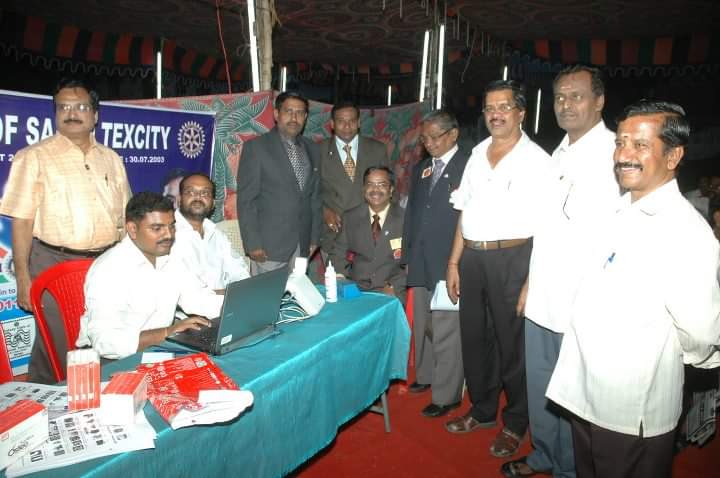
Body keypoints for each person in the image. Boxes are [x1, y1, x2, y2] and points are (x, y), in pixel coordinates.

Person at [546, 100, 720, 478]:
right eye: (620, 142)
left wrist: (663, 359)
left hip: (629, 406)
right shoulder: (620, 210)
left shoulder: (685, 231)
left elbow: (701, 333)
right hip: (586, 392)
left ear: (673, 155)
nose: (624, 155)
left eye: (640, 145)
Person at [501, 66, 620, 478]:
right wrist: (529, 285)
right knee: (542, 386)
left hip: (582, 303)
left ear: (599, 101)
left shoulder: (615, 153)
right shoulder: (559, 154)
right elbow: (547, 230)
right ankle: (544, 456)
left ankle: (570, 469)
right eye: (560, 97)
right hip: (544, 297)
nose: (566, 105)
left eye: (577, 96)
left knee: (574, 395)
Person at [445, 80, 551, 458]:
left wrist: (532, 281)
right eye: (490, 107)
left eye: (504, 106)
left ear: (521, 112)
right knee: (475, 339)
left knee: (512, 346)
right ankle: (483, 409)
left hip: (514, 259)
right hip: (473, 258)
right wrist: (454, 261)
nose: (496, 114)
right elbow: (464, 211)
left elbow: (549, 227)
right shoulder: (476, 154)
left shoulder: (538, 160)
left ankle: (517, 421)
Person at [0, 77, 131, 383]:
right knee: (62, 346)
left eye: (81, 107)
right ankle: (59, 401)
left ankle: (63, 394)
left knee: (102, 338)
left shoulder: (111, 159)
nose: (72, 113)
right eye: (63, 108)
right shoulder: (33, 157)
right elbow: (22, 220)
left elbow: (125, 218)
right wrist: (23, 279)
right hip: (53, 262)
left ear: (95, 115)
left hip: (105, 264)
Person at [76, 192, 224, 359]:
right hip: (111, 360)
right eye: (157, 228)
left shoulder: (170, 258)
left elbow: (199, 299)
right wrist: (167, 332)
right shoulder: (109, 269)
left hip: (158, 348)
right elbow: (106, 342)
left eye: (171, 226)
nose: (169, 235)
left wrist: (236, 308)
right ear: (132, 229)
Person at [401, 110, 469, 418]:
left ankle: (447, 394)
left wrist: (459, 262)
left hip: (449, 261)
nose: (428, 143)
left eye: (434, 137)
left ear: (453, 134)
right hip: (420, 258)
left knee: (446, 329)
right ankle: (425, 375)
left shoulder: (469, 166)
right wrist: (407, 255)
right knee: (423, 323)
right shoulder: (423, 168)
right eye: (424, 139)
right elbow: (413, 212)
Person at [236, 91, 321, 275]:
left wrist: (314, 237)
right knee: (268, 294)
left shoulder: (313, 149)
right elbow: (246, 200)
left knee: (296, 293)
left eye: (300, 113)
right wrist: (252, 243)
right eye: (288, 111)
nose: (294, 118)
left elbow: (314, 198)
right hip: (269, 247)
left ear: (306, 117)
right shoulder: (256, 148)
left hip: (302, 245)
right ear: (276, 114)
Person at [319, 101, 389, 257]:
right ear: (332, 124)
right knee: (335, 273)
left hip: (370, 233)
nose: (347, 126)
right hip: (334, 234)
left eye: (351, 121)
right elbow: (309, 191)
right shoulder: (318, 151)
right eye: (341, 121)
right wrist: (324, 211)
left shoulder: (377, 149)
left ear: (358, 123)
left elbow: (389, 190)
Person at [330, 166, 406, 304]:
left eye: (382, 185)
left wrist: (394, 286)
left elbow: (412, 262)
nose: (375, 189)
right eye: (370, 184)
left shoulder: (405, 219)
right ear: (364, 189)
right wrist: (341, 279)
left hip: (391, 291)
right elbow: (337, 253)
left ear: (391, 189)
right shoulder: (351, 217)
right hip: (355, 290)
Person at [170, 173, 250, 290]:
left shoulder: (216, 233)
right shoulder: (167, 234)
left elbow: (238, 270)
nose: (198, 197)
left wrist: (244, 290)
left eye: (205, 193)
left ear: (213, 203)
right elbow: (182, 291)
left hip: (227, 298)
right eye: (190, 192)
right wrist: (226, 294)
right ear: (179, 200)